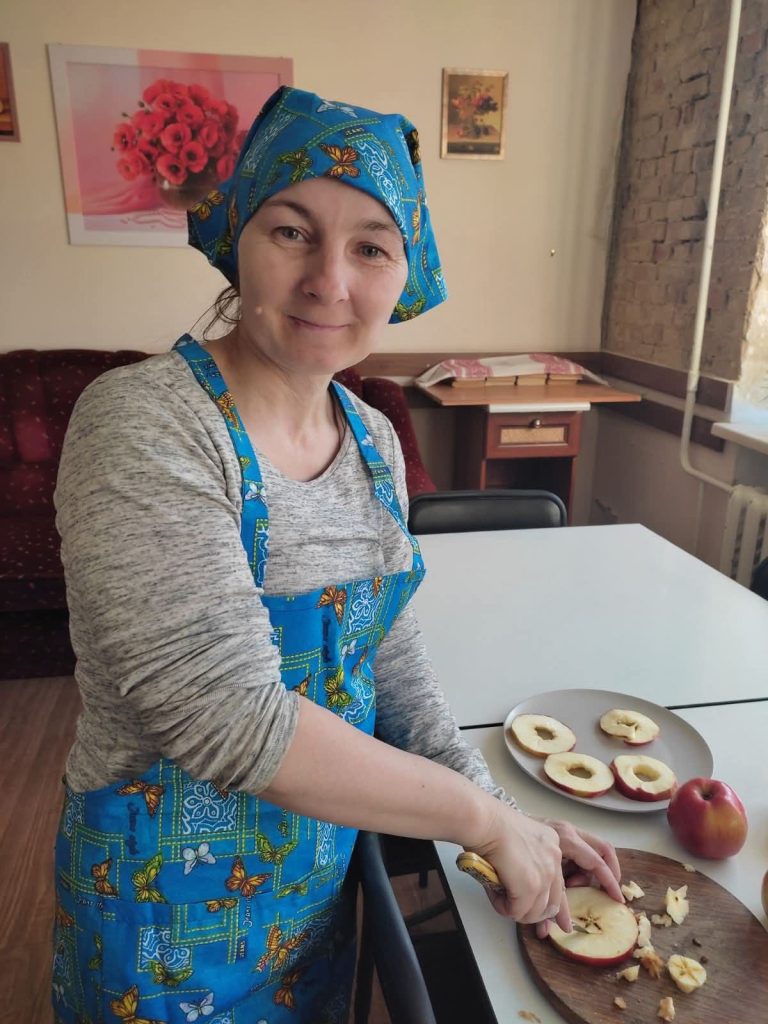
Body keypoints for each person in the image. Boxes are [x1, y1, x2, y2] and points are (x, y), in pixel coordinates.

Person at [52, 86, 623, 1023]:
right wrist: (479, 820)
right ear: (238, 234)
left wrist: (510, 818)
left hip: (315, 893)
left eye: (371, 247)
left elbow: (387, 656)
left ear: (407, 272)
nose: (329, 281)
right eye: (292, 231)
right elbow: (228, 718)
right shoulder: (145, 423)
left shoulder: (373, 438)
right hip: (155, 924)